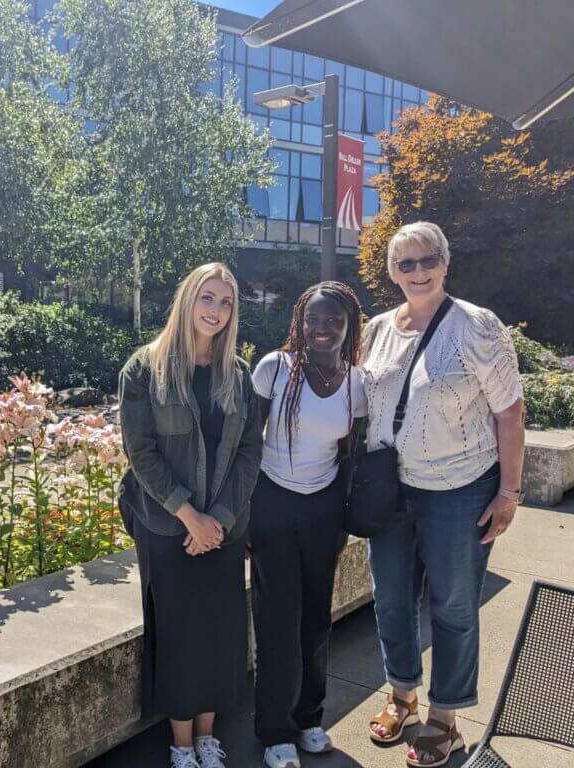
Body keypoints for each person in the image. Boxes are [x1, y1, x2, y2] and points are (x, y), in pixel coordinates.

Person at [363, 222, 525, 767]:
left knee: (453, 606)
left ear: (445, 263)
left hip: (460, 491)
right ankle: (402, 694)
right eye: (405, 263)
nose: (417, 272)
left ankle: (445, 719)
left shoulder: (476, 325)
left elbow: (510, 411)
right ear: (393, 271)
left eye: (427, 260)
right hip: (390, 492)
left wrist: (509, 491)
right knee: (390, 598)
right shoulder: (378, 329)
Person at [118, 262, 263, 768]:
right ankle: (181, 745)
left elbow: (250, 452)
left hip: (223, 529)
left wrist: (217, 517)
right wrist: (189, 516)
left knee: (220, 633)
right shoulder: (145, 369)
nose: (215, 311)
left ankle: (207, 736)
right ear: (187, 300)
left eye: (226, 302)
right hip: (166, 527)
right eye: (207, 298)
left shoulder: (237, 375)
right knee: (179, 635)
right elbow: (141, 453)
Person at [249, 282, 367, 768]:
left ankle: (308, 718)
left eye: (333, 320)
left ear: (349, 326)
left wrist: (342, 523)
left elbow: (349, 457)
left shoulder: (357, 383)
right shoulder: (274, 369)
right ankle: (275, 729)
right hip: (272, 503)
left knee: (316, 619)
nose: (322, 328)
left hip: (323, 510)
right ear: (299, 322)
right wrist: (245, 516)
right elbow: (247, 445)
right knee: (278, 621)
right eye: (313, 319)